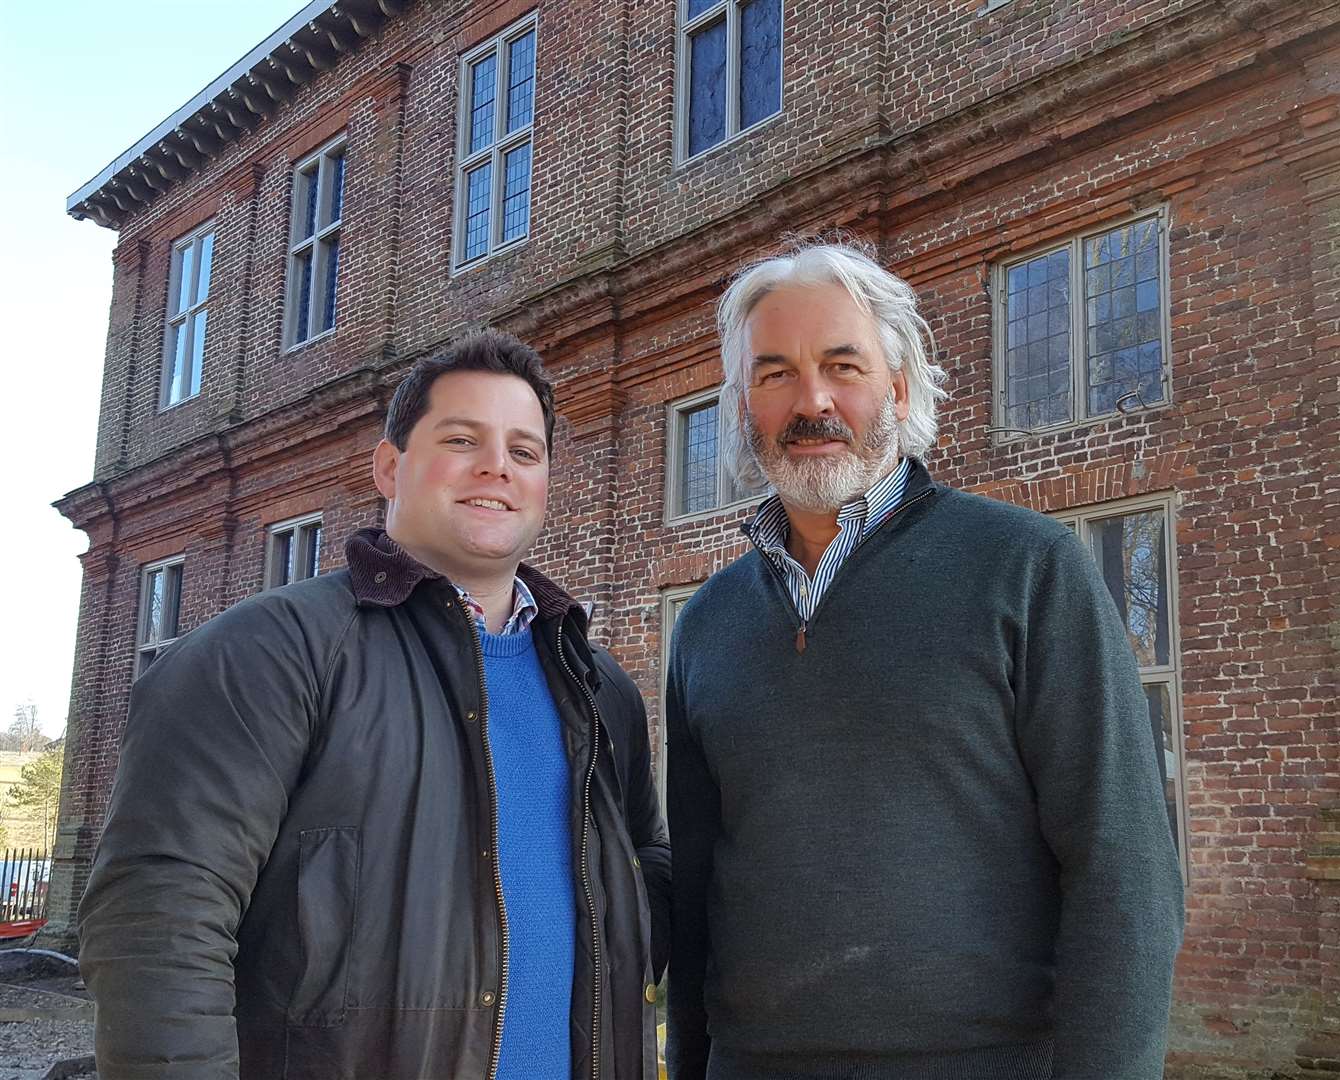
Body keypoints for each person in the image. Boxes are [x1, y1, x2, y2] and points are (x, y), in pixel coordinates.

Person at [80, 331, 670, 1080]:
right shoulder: (267, 652)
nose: (498, 466)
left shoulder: (598, 686)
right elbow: (158, 920)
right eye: (462, 439)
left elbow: (646, 868)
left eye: (525, 452)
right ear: (390, 467)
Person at [665, 243, 1184, 1080]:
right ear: (740, 405)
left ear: (900, 388)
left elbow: (1123, 869)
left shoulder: (1026, 568)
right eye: (775, 374)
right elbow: (695, 895)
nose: (813, 401)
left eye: (843, 364)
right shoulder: (706, 623)